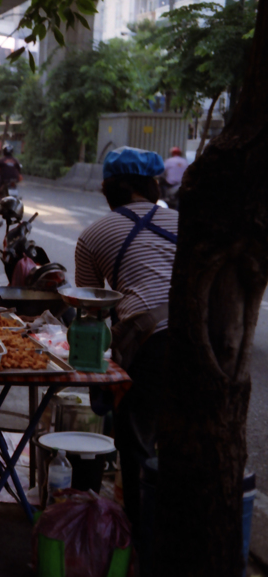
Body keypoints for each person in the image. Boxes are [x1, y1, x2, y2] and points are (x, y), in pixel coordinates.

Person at [74, 147, 177, 531]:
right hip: (202, 340)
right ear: (151, 185)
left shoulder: (92, 235)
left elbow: (92, 311)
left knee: (136, 446)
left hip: (152, 346)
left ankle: (138, 542)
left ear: (108, 189)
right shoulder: (183, 222)